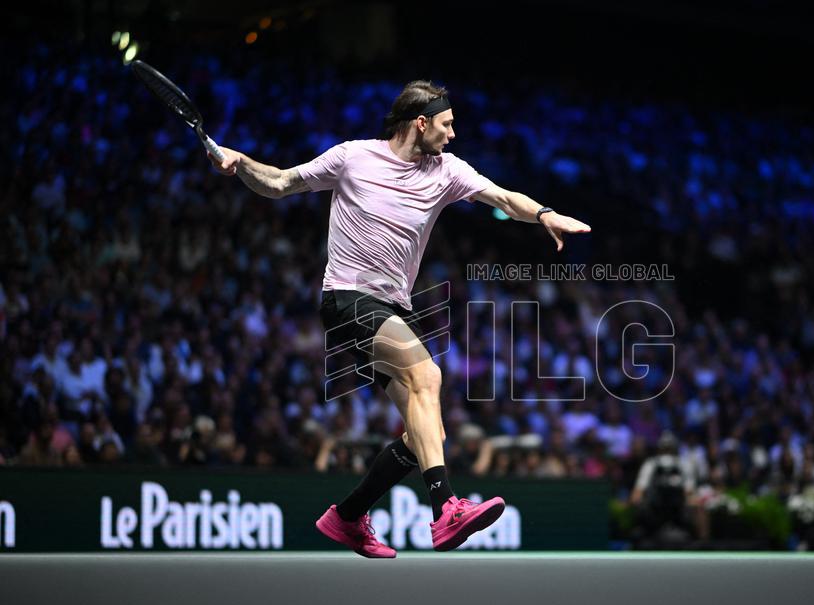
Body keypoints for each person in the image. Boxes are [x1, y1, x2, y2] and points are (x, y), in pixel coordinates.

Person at [209, 80, 591, 557]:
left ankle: (347, 516)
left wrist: (545, 215)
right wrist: (241, 162)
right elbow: (281, 183)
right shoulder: (353, 157)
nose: (453, 135)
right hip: (347, 297)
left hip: (391, 307)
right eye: (447, 125)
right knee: (426, 375)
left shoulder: (446, 170)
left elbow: (504, 198)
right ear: (421, 122)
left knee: (422, 433)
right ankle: (446, 507)